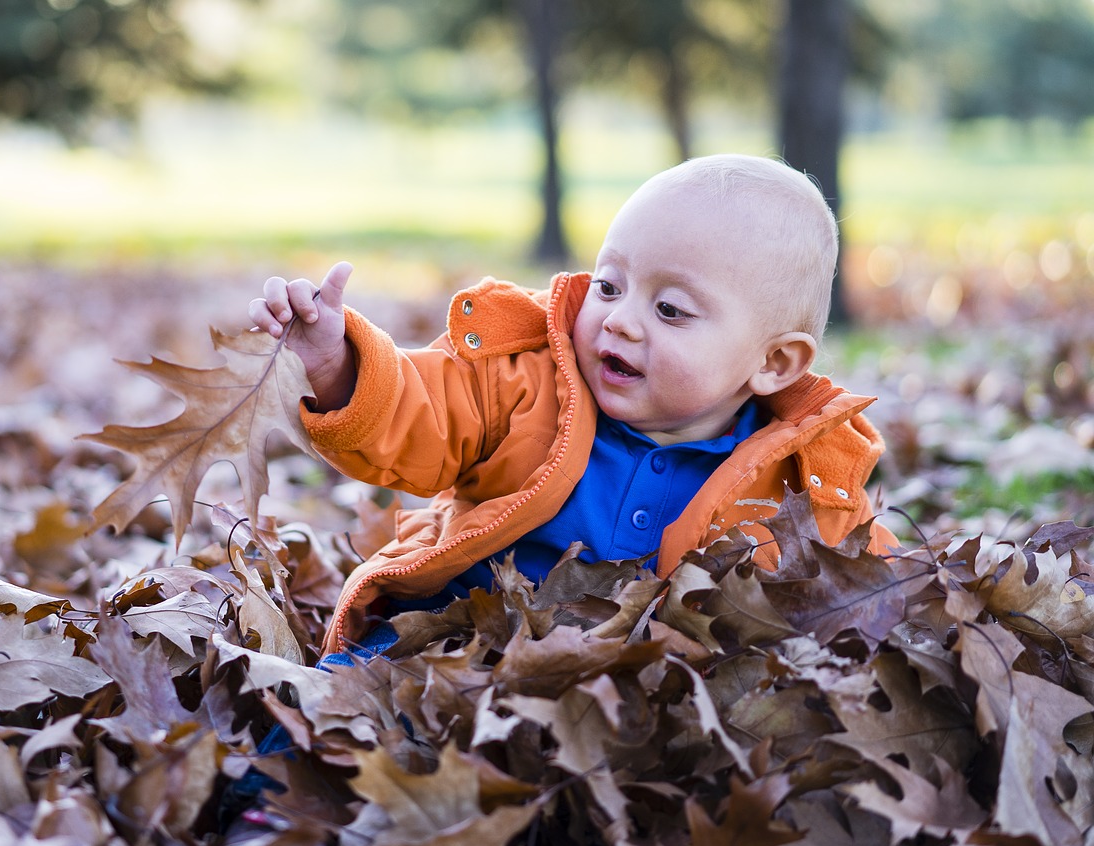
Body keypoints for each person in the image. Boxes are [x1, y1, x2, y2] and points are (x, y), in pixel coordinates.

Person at [248, 153, 897, 658]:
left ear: (772, 362)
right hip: (458, 636)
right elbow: (418, 412)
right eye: (610, 284)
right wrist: (337, 365)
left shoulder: (803, 478)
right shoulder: (527, 379)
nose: (619, 320)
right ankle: (273, 794)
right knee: (365, 678)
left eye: (669, 309)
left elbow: (868, 582)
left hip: (626, 692)